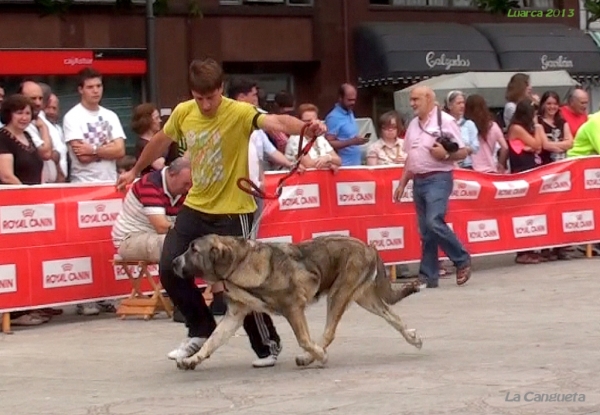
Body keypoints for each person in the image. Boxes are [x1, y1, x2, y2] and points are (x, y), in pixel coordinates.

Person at [116, 58, 326, 369]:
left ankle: (267, 343)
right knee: (170, 267)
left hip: (233, 211)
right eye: (199, 98)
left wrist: (306, 128)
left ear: (221, 89)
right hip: (197, 205)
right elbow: (160, 142)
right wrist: (134, 169)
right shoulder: (184, 112)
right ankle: (200, 329)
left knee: (241, 283)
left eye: (210, 98)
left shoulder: (238, 112)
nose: (205, 105)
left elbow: (278, 123)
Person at [392, 86, 472, 289]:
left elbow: (463, 151)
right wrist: (403, 183)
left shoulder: (445, 121)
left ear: (428, 99)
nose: (412, 103)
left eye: (416, 99)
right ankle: (428, 275)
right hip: (419, 179)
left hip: (439, 178)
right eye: (411, 99)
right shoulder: (412, 125)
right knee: (426, 230)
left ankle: (462, 259)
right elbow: (411, 156)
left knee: (434, 221)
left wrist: (445, 155)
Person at [112, 157, 192, 262]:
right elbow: (161, 227)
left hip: (157, 236)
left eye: (191, 184)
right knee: (175, 245)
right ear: (172, 174)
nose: (188, 188)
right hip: (130, 239)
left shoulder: (185, 190)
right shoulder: (150, 184)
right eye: (185, 184)